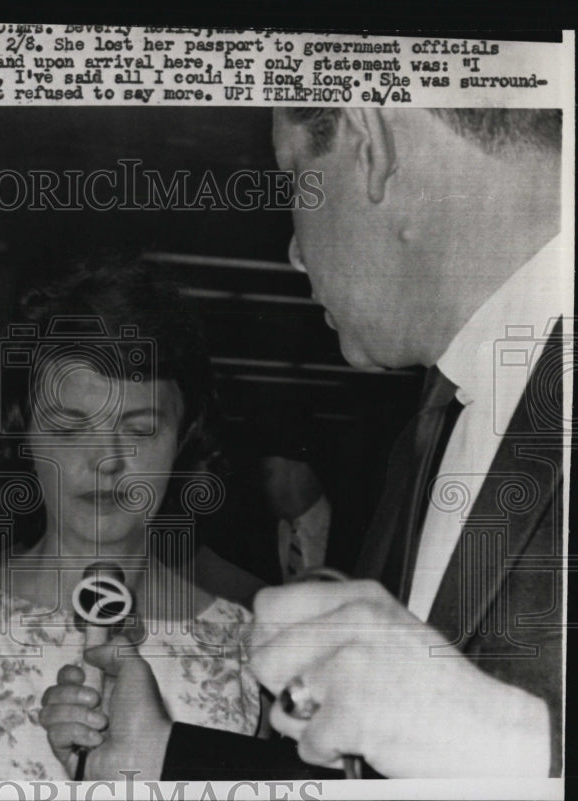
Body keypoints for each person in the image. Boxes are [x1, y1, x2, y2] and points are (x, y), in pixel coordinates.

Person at [41, 108, 566, 779]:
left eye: (293, 177)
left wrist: (511, 749)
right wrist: (155, 752)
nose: (294, 248)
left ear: (367, 143)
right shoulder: (427, 434)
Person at [0, 260, 266, 781]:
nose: (106, 461)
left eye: (140, 429)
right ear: (24, 432)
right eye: (72, 428)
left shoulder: (242, 648)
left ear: (184, 438)